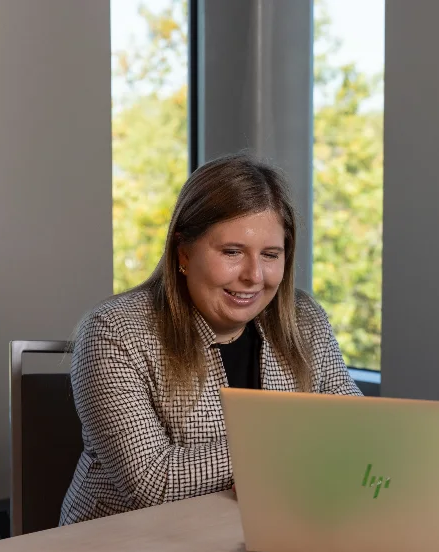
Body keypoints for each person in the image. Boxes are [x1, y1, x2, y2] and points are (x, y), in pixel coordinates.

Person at [60, 154, 361, 524]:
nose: (254, 275)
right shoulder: (114, 331)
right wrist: (289, 447)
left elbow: (353, 425)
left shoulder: (303, 318)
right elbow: (153, 481)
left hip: (261, 534)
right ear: (184, 252)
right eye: (232, 252)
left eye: (270, 255)